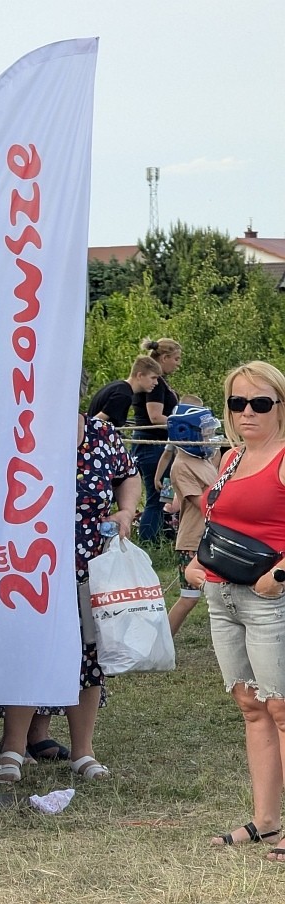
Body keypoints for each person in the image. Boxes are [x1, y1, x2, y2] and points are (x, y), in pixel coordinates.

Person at [0, 410, 139, 783]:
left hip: (89, 560)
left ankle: (83, 751)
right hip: (32, 558)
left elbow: (129, 475)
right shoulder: (22, 425)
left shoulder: (101, 432)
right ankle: (12, 748)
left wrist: (126, 509)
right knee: (29, 644)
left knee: (89, 651)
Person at [185, 361, 285, 861]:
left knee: (283, 709)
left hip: (269, 599)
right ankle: (266, 820)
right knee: (251, 707)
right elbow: (217, 520)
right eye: (237, 402)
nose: (248, 412)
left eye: (260, 402)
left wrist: (280, 575)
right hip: (221, 596)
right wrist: (195, 566)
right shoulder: (230, 458)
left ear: (280, 406)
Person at [161, 400, 220, 636]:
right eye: (204, 433)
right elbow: (203, 503)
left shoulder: (203, 460)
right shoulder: (181, 466)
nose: (208, 438)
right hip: (193, 540)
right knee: (189, 598)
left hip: (213, 537)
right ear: (186, 433)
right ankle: (162, 643)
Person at [133, 337, 183, 541]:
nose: (178, 364)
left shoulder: (160, 383)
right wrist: (183, 422)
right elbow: (155, 416)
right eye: (177, 359)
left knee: (164, 496)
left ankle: (159, 537)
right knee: (156, 498)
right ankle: (148, 542)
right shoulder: (156, 385)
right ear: (165, 357)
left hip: (159, 445)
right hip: (152, 445)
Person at [85, 355, 162, 429]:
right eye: (153, 378)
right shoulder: (123, 395)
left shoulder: (118, 386)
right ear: (140, 375)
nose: (156, 382)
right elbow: (96, 421)